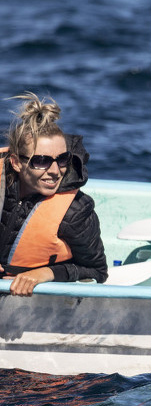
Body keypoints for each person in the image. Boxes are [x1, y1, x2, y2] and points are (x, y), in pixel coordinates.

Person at [0, 93, 107, 295]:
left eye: (63, 159)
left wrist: (46, 273)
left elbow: (98, 271)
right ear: (15, 163)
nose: (55, 171)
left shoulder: (76, 211)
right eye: (41, 161)